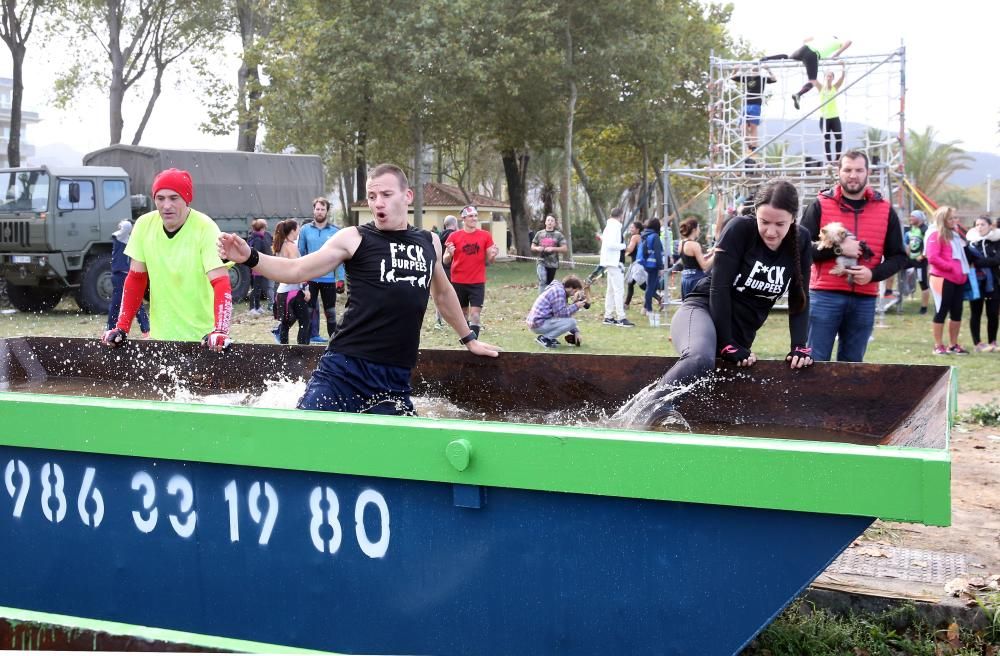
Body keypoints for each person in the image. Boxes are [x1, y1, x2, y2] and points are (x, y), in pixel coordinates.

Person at [218, 163, 499, 414]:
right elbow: (297, 269)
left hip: (395, 378)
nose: (379, 203)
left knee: (396, 461)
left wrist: (469, 339)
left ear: (407, 196)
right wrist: (251, 258)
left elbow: (443, 293)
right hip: (344, 370)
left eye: (386, 195)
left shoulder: (429, 242)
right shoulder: (355, 238)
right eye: (373, 196)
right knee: (304, 439)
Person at [616, 180, 813, 425]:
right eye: (764, 222)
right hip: (702, 311)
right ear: (756, 215)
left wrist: (799, 347)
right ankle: (639, 421)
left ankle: (661, 421)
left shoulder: (801, 240)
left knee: (723, 380)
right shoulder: (739, 229)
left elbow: (800, 295)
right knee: (700, 359)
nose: (771, 232)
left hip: (741, 331)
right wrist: (727, 342)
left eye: (780, 224)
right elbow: (719, 288)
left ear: (793, 218)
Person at [102, 168, 232, 351]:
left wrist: (220, 330)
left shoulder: (206, 228)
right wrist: (122, 328)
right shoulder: (144, 225)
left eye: (174, 198)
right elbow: (136, 279)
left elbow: (221, 282)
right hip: (161, 338)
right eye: (160, 198)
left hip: (203, 338)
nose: (166, 205)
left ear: (186, 199)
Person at [801, 150, 908, 362]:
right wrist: (838, 250)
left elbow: (899, 257)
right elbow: (800, 250)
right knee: (814, 363)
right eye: (847, 169)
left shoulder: (885, 210)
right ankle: (814, 398)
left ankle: (844, 397)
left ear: (867, 172)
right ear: (838, 172)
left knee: (852, 368)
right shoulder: (820, 204)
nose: (853, 175)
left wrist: (873, 274)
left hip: (864, 299)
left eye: (859, 170)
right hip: (824, 297)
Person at [443, 205, 500, 338]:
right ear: (463, 219)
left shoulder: (485, 235)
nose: (474, 219)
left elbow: (490, 261)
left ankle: (475, 342)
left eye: (475, 216)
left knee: (475, 314)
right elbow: (445, 260)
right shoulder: (454, 236)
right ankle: (468, 342)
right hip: (458, 281)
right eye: (470, 216)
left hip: (477, 282)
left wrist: (492, 255)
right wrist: (449, 254)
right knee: (463, 315)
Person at [926, 206, 973, 355]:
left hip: (959, 279)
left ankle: (953, 345)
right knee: (941, 311)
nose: (955, 221)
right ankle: (938, 345)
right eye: (951, 218)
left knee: (957, 312)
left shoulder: (955, 235)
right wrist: (950, 267)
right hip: (943, 278)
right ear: (943, 220)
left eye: (955, 218)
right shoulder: (935, 234)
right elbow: (932, 257)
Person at [299, 197, 345, 344]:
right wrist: (301, 276)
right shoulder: (305, 230)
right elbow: (300, 253)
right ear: (314, 210)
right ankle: (304, 345)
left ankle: (334, 345)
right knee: (307, 313)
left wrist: (341, 279)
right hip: (310, 278)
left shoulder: (336, 231)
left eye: (322, 209)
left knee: (330, 313)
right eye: (317, 209)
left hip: (329, 279)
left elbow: (340, 257)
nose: (319, 212)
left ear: (327, 211)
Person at [761, 37, 852, 110]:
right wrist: (837, 54)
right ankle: (798, 95)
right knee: (813, 81)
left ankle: (766, 58)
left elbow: (806, 40)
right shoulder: (837, 41)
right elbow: (849, 41)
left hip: (803, 49)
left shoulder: (821, 38)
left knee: (788, 57)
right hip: (813, 54)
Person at [106, 220, 150, 339]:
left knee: (128, 303)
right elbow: (126, 225)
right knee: (128, 304)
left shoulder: (125, 238)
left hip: (123, 275)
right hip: (120, 275)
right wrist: (125, 222)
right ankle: (145, 329)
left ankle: (111, 329)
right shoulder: (121, 237)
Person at [271, 219, 311, 345]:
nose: (299, 230)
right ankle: (303, 351)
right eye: (298, 227)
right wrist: (305, 288)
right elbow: (297, 269)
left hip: (282, 291)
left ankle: (283, 351)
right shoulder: (291, 246)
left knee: (285, 323)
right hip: (293, 291)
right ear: (293, 230)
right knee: (305, 321)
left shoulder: (280, 245)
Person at [965, 215, 1000, 352]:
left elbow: (997, 260)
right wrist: (987, 261)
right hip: (976, 283)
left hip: (994, 283)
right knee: (976, 313)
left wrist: (978, 262)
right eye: (977, 224)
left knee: (992, 313)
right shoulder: (971, 243)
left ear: (990, 226)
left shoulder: (997, 241)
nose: (979, 227)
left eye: (983, 224)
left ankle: (993, 341)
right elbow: (968, 260)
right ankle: (977, 343)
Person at [526, 274, 588, 348]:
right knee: (572, 321)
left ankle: (550, 338)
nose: (575, 294)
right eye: (575, 291)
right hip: (539, 323)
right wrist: (576, 306)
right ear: (570, 288)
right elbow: (560, 314)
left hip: (538, 321)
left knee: (571, 322)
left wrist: (576, 332)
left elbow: (564, 316)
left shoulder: (560, 290)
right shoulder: (559, 292)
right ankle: (545, 338)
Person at [730, 65, 776, 157]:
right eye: (753, 69)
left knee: (753, 127)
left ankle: (754, 148)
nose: (754, 71)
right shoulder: (747, 77)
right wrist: (735, 70)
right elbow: (732, 77)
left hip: (755, 105)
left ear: (759, 71)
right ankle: (750, 145)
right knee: (742, 127)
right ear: (750, 70)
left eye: (756, 69)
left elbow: (774, 79)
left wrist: (768, 69)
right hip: (746, 105)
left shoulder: (762, 78)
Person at [599, 208, 634, 327]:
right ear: (621, 216)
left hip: (610, 261)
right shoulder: (615, 227)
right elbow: (611, 245)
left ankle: (608, 316)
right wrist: (624, 246)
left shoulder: (609, 227)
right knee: (619, 290)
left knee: (611, 290)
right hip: (614, 262)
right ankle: (621, 317)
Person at [677, 217, 715, 300]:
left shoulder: (681, 243)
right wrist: (716, 255)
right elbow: (704, 266)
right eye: (698, 228)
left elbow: (690, 260)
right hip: (696, 280)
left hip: (685, 279)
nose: (699, 231)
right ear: (694, 229)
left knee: (686, 306)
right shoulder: (694, 245)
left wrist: (709, 254)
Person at [818, 62, 846, 164]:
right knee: (827, 139)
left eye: (830, 76)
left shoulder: (835, 87)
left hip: (834, 117)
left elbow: (842, 78)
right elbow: (813, 79)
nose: (829, 77)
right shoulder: (821, 88)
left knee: (839, 137)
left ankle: (837, 158)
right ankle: (829, 161)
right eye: (827, 76)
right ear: (825, 77)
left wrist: (843, 67)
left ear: (833, 78)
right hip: (824, 118)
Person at [434, 214, 459, 328]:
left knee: (440, 295)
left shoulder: (438, 237)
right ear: (455, 224)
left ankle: (438, 321)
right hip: (453, 270)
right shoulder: (456, 236)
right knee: (456, 295)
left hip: (439, 269)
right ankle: (458, 320)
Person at [530, 215, 568, 290]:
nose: (550, 222)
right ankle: (541, 299)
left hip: (552, 264)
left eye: (552, 221)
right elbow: (532, 247)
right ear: (545, 222)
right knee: (542, 280)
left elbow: (564, 249)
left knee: (548, 284)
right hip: (541, 261)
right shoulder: (539, 234)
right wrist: (537, 248)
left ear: (554, 224)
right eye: (548, 220)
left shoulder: (558, 235)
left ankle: (547, 298)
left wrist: (553, 249)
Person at [904, 210, 931, 314]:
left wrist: (923, 255)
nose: (910, 218)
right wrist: (908, 252)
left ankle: (924, 308)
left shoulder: (925, 229)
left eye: (912, 216)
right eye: (910, 216)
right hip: (911, 259)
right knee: (893, 267)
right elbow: (912, 243)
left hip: (920, 261)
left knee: (923, 284)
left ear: (919, 218)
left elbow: (930, 244)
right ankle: (889, 291)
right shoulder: (913, 229)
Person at [636, 218, 665, 315]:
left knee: (654, 285)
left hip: (647, 264)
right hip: (654, 265)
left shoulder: (645, 235)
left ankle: (644, 308)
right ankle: (649, 309)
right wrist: (661, 267)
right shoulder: (655, 236)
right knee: (651, 287)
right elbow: (658, 253)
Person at [246, 218, 273, 317]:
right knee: (255, 288)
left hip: (257, 268)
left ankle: (257, 306)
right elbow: (256, 253)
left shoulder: (256, 237)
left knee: (258, 288)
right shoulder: (257, 239)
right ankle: (252, 308)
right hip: (256, 268)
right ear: (261, 228)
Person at [623, 220, 645, 308]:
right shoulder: (643, 237)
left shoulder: (635, 237)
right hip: (640, 263)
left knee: (642, 285)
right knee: (630, 283)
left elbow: (630, 249)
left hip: (637, 264)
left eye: (632, 227)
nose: (630, 229)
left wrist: (620, 246)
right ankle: (626, 304)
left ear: (638, 229)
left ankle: (659, 298)